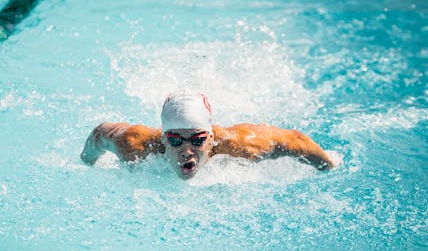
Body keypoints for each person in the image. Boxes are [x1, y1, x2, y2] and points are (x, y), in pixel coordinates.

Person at [81, 93, 336, 179]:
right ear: (162, 138)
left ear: (212, 138)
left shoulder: (244, 145)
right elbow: (99, 133)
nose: (186, 149)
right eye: (175, 140)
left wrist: (329, 167)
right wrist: (86, 164)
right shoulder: (133, 144)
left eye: (198, 139)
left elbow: (297, 141)